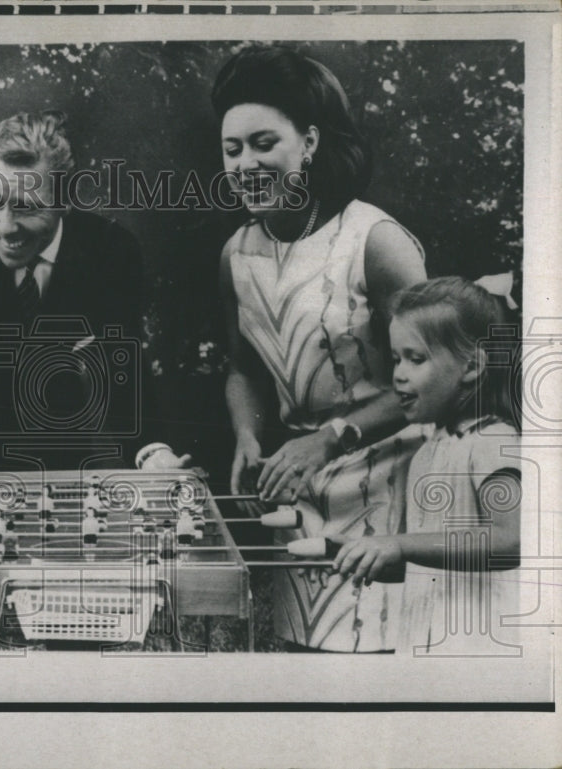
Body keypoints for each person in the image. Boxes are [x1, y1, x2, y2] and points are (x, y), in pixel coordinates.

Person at [213, 45, 429, 651]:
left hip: (395, 484)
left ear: (308, 143)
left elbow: (441, 378)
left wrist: (333, 436)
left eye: (264, 143)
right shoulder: (236, 253)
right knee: (301, 657)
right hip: (300, 487)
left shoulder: (375, 240)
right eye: (232, 150)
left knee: (375, 662)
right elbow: (242, 369)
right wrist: (248, 435)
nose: (246, 163)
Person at [0, 110, 187, 490]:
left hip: (59, 479)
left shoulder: (111, 251)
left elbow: (121, 369)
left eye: (27, 206)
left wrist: (153, 452)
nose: (7, 226)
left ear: (64, 200)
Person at [334, 277, 521, 654]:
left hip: (480, 651)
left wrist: (400, 544)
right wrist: (368, 555)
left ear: (471, 366)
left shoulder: (493, 441)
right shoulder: (427, 450)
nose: (399, 373)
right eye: (395, 359)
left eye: (415, 359)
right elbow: (425, 560)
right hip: (428, 642)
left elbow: (510, 540)